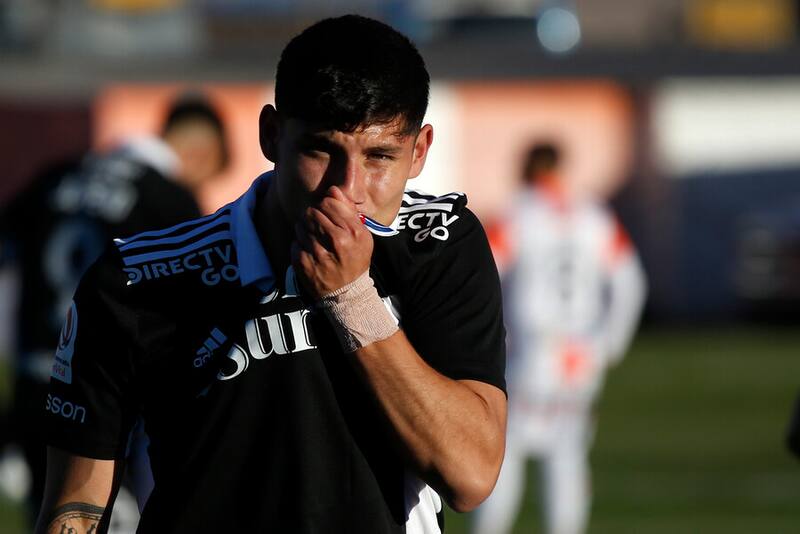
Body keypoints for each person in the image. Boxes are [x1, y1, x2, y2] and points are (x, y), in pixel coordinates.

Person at [35, 14, 507, 534]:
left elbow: (470, 473)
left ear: (419, 152)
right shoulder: (140, 280)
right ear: (271, 135)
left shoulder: (437, 244)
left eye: (379, 156)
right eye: (321, 150)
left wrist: (352, 300)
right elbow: (76, 505)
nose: (346, 191)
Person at [0, 93, 229, 529]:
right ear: (200, 151)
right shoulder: (168, 198)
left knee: (50, 516)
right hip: (111, 395)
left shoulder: (56, 177)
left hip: (37, 383)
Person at [472, 143, 646, 534]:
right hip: (581, 352)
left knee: (506, 451)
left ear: (525, 168)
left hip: (531, 349)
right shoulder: (593, 214)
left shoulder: (518, 214)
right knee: (567, 456)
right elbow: (631, 280)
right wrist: (609, 342)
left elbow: (482, 275)